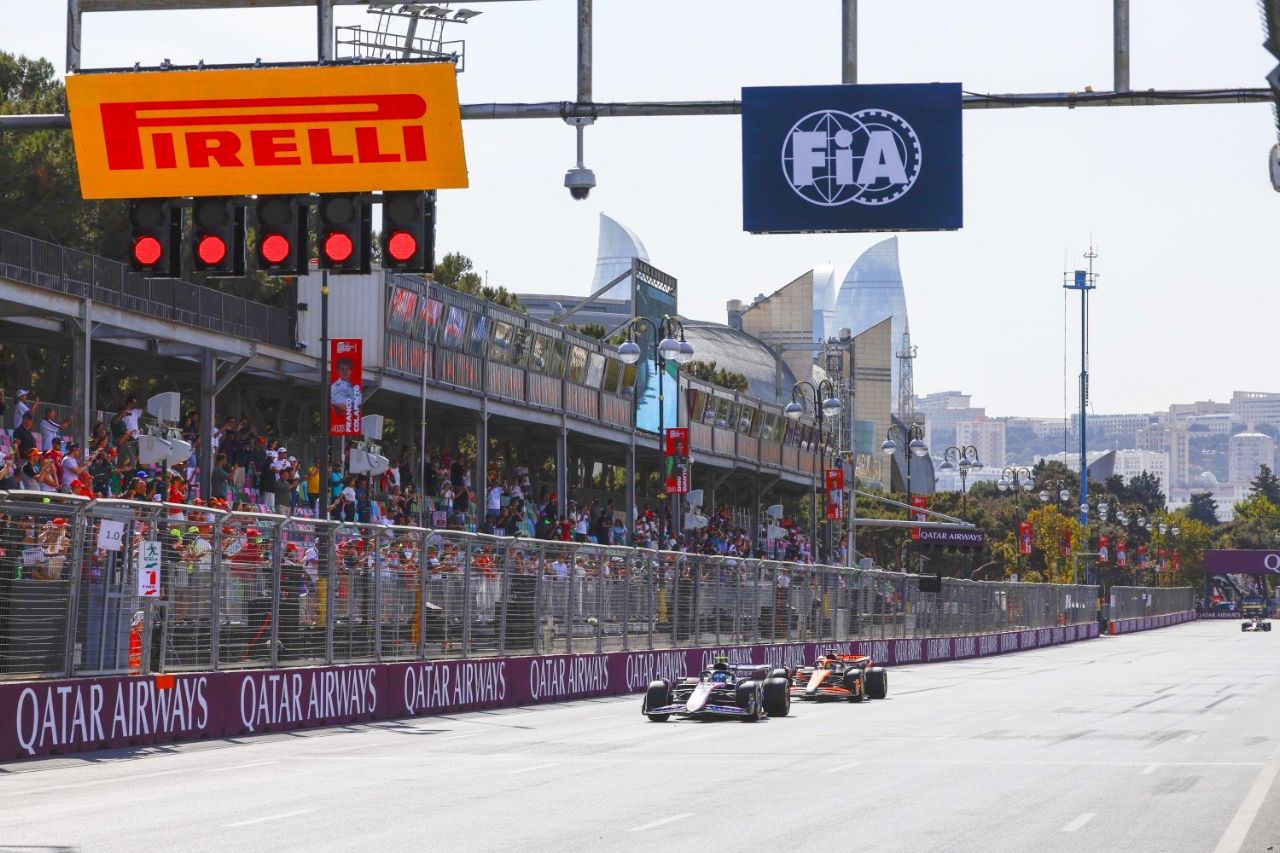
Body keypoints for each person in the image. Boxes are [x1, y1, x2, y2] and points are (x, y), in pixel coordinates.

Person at [329, 356, 361, 431]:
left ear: (351, 371)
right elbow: (341, 404)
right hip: (340, 420)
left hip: (352, 422)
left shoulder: (355, 388)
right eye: (342, 369)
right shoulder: (334, 387)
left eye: (347, 369)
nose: (344, 371)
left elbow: (359, 402)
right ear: (338, 371)